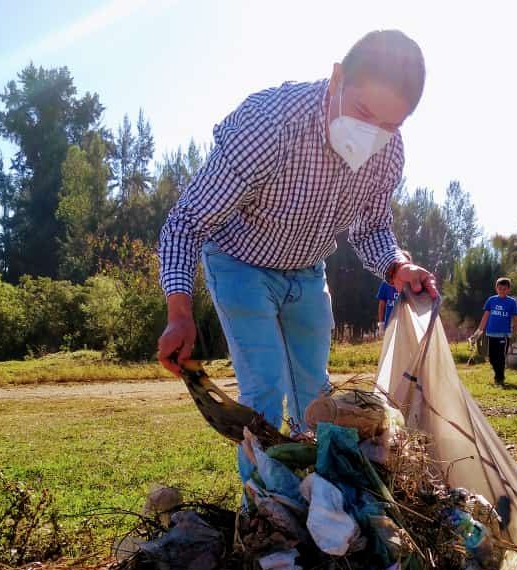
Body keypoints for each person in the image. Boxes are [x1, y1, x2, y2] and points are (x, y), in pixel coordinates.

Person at [155, 30, 438, 482]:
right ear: (337, 78)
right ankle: (269, 515)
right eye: (364, 114)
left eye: (390, 126)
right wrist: (179, 312)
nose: (372, 136)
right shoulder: (269, 125)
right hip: (239, 262)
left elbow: (371, 228)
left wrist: (397, 266)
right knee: (263, 391)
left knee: (317, 396)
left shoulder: (388, 156)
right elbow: (187, 222)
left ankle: (323, 502)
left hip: (307, 270)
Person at [474, 277, 517, 385]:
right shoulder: (491, 300)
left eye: (504, 289)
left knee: (501, 357)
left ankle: (499, 378)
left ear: (509, 289)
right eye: (500, 288)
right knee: (492, 357)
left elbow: (515, 318)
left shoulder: (511, 302)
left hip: (504, 334)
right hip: (491, 333)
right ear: (496, 288)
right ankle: (498, 374)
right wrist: (479, 331)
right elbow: (485, 316)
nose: (502, 291)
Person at [375, 250, 412, 334]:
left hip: (406, 325)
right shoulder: (386, 283)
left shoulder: (411, 284)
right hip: (390, 324)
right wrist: (381, 323)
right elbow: (382, 304)